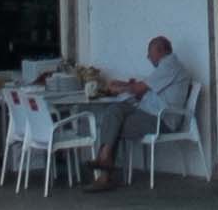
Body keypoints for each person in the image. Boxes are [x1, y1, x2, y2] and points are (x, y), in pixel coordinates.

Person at [84, 34, 197, 189]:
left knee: (114, 124)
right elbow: (145, 87)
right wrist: (124, 84)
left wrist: (118, 88)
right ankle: (105, 160)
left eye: (150, 53)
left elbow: (139, 88)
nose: (148, 57)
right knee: (113, 111)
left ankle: (104, 176)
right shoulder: (167, 67)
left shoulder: (170, 65)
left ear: (161, 50)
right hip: (147, 112)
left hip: (162, 119)